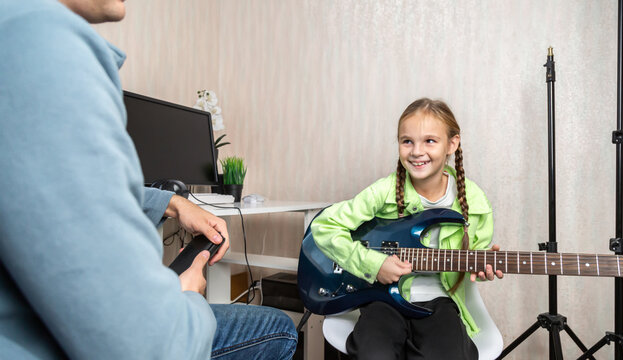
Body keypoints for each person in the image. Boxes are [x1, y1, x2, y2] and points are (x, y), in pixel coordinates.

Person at [0, 0, 297, 359]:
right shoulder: (43, 44)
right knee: (279, 328)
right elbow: (150, 347)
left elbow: (50, 186)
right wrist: (189, 297)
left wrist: (171, 203)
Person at [311, 98, 503, 360]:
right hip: (382, 299)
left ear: (452, 143)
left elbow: (473, 263)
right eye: (407, 141)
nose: (416, 151)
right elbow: (324, 225)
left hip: (440, 302)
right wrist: (374, 264)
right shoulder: (385, 190)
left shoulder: (475, 202)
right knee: (373, 353)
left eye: (430, 141)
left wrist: (483, 269)